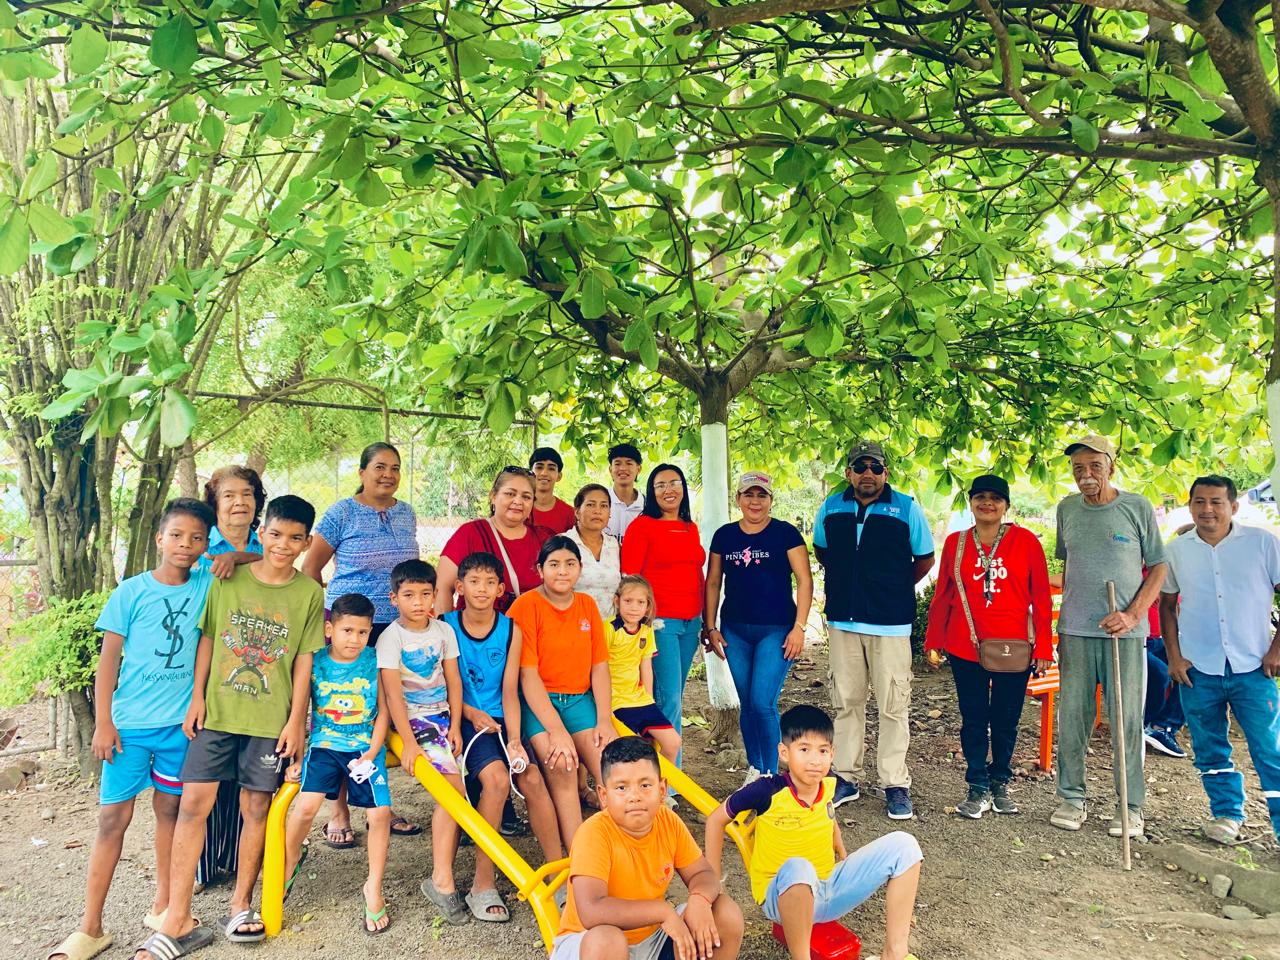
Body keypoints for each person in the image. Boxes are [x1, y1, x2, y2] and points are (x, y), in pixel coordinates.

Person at [137, 495, 325, 960]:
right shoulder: (227, 578)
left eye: (295, 538)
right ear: (262, 534)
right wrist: (197, 697)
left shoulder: (309, 593)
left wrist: (296, 722)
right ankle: (177, 917)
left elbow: (304, 661)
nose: (283, 545)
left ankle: (240, 905)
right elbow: (206, 638)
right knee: (192, 806)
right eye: (275, 534)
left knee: (256, 808)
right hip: (216, 714)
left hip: (270, 722)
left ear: (306, 544)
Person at [48, 499, 217, 960]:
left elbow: (247, 559)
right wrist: (104, 722)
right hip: (129, 727)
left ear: (206, 544)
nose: (185, 545)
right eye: (176, 535)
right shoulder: (131, 592)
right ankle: (90, 927)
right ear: (159, 538)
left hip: (179, 728)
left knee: (170, 810)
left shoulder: (208, 584)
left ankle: (163, 905)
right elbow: (108, 662)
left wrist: (228, 556)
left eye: (197, 538)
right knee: (112, 820)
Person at [705, 706, 923, 960]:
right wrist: (714, 886)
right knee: (799, 867)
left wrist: (838, 842)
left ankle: (894, 953)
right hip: (781, 897)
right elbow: (715, 820)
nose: (815, 760)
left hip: (827, 889)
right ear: (784, 753)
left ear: (832, 754)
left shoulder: (827, 785)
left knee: (905, 845)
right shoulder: (766, 790)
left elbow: (826, 811)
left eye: (822, 751)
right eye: (804, 749)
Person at [304, 441, 422, 845]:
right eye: (379, 467)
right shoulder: (341, 513)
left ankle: (378, 804)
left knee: (380, 714)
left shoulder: (407, 513)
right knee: (343, 713)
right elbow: (311, 567)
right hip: (351, 628)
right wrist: (329, 621)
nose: (388, 475)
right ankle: (338, 811)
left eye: (395, 468)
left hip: (394, 627)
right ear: (362, 472)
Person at [1050, 434, 1166, 837]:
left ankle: (1130, 806)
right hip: (1076, 630)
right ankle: (1071, 798)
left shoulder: (1137, 506)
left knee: (1126, 720)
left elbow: (1159, 566)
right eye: (1078, 468)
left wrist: (1133, 614)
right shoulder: (1067, 509)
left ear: (1111, 467)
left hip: (1125, 635)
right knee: (1074, 719)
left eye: (1095, 466)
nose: (1086, 474)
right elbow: (1071, 564)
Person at [812, 441, 934, 820]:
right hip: (843, 621)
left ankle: (895, 783)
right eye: (860, 467)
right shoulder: (831, 506)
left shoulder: (907, 508)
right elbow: (822, 551)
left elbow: (925, 558)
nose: (868, 474)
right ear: (848, 473)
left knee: (893, 705)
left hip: (891, 624)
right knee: (846, 701)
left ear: (886, 473)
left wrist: (893, 587)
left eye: (876, 467)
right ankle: (846, 777)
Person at [443, 552, 565, 921]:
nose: (481, 589)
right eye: (473, 582)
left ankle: (559, 875)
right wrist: (469, 713)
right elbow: (446, 687)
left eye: (489, 582)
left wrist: (514, 739)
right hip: (465, 717)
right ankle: (483, 883)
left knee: (532, 778)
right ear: (459, 587)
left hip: (501, 719)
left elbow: (510, 691)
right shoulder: (446, 627)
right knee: (496, 781)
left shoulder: (511, 629)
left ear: (500, 589)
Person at [1159, 475, 1280, 846]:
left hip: (1253, 666)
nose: (1207, 509)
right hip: (1198, 669)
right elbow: (1167, 606)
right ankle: (1226, 813)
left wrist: (1276, 650)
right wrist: (1174, 657)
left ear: (1233, 506)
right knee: (1209, 746)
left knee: (1269, 748)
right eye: (1199, 501)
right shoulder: (1177, 550)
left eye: (1216, 502)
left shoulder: (1262, 543)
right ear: (1190, 505)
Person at [923, 475, 1053, 819]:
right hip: (965, 645)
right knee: (974, 718)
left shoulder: (1026, 542)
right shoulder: (957, 543)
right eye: (980, 496)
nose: (987, 503)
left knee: (1007, 719)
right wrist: (934, 639)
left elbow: (1041, 597)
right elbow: (944, 594)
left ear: (1006, 505)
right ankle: (977, 785)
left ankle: (1000, 783)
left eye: (995, 498)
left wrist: (1044, 647)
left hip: (1014, 647)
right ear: (970, 503)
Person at [552, 736, 744, 960]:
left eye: (645, 785)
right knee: (607, 940)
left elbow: (702, 873)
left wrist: (700, 898)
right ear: (603, 796)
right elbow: (591, 911)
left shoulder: (668, 821)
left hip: (652, 936)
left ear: (662, 789)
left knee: (724, 912)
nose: (634, 796)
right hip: (589, 941)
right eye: (621, 788)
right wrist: (662, 911)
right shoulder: (594, 833)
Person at [282, 593, 393, 935]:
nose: (354, 639)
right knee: (305, 807)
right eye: (347, 631)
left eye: (362, 632)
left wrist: (373, 751)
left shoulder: (375, 660)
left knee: (380, 814)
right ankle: (289, 860)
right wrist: (297, 759)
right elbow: (300, 709)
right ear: (330, 629)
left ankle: (373, 886)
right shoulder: (315, 661)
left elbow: (385, 710)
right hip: (325, 745)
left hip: (364, 748)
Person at [374, 559, 473, 926]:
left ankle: (442, 873)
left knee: (459, 791)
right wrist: (409, 742)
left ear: (435, 596)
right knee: (452, 791)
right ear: (394, 598)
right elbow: (392, 693)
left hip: (444, 718)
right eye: (409, 595)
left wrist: (456, 724)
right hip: (414, 722)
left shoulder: (443, 631)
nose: (418, 602)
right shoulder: (391, 638)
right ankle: (441, 879)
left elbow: (453, 680)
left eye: (425, 594)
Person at [704, 471, 813, 784]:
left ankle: (772, 774)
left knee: (763, 702)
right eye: (748, 495)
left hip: (777, 630)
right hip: (735, 631)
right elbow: (713, 582)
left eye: (761, 495)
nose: (755, 501)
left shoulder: (785, 534)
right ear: (738, 499)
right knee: (748, 705)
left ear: (770, 500)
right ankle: (755, 768)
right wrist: (710, 627)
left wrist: (799, 627)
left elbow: (805, 580)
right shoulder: (725, 536)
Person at [511, 536, 615, 846]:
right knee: (563, 764)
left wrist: (604, 719)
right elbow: (527, 675)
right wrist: (556, 730)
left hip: (578, 699)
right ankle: (578, 854)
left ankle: (624, 847)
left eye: (570, 564)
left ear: (580, 569)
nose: (562, 571)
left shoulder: (586, 605)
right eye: (554, 564)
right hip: (539, 703)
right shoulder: (526, 606)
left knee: (611, 764)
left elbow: (599, 666)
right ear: (540, 569)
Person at [195, 466, 266, 890]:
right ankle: (204, 865)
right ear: (215, 502)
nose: (239, 502)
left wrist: (240, 558)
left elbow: (281, 566)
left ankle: (242, 860)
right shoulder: (200, 544)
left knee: (249, 775)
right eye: (229, 495)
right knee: (208, 775)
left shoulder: (266, 543)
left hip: (256, 668)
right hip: (207, 666)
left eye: (247, 494)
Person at [620, 463, 705, 753]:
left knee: (673, 696)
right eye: (660, 485)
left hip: (691, 622)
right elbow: (630, 579)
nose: (668, 490)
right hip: (660, 623)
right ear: (651, 491)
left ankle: (655, 765)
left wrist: (706, 621)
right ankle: (667, 775)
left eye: (674, 483)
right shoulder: (642, 526)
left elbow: (697, 574)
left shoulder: (690, 527)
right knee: (668, 699)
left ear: (683, 488)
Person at [437, 466, 546, 615]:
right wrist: (443, 628)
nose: (518, 501)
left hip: (533, 626)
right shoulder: (470, 533)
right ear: (493, 496)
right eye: (510, 494)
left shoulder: (544, 538)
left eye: (526, 497)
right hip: (475, 627)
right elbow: (443, 587)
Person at [606, 575, 681, 766]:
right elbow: (598, 667)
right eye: (628, 601)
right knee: (631, 752)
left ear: (648, 606)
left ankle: (658, 784)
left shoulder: (646, 631)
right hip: (614, 701)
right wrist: (603, 707)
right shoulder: (608, 629)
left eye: (640, 602)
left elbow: (645, 666)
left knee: (673, 743)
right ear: (617, 601)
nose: (634, 607)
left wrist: (650, 700)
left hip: (639, 699)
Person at [564, 483, 622, 622]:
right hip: (571, 624)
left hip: (609, 628)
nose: (598, 511)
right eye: (590, 505)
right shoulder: (562, 544)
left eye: (604, 506)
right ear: (577, 511)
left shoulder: (615, 545)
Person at [1143, 598, 1187, 759]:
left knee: (1191, 669)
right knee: (1161, 673)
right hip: (1135, 640)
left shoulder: (1172, 583)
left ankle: (1164, 727)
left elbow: (1176, 608)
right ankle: (1144, 725)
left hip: (1162, 640)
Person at [531, 446, 577, 535]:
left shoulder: (569, 514)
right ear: (530, 473)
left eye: (551, 468)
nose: (544, 473)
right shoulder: (518, 507)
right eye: (539, 467)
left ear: (559, 476)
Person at [605, 443, 645, 542]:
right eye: (617, 464)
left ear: (638, 469)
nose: (622, 468)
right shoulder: (600, 501)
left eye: (629, 463)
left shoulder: (648, 505)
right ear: (610, 469)